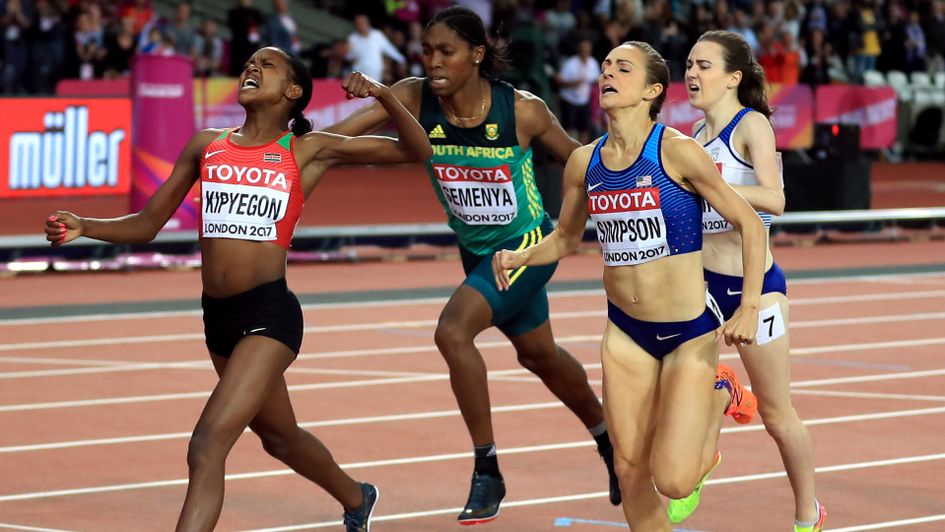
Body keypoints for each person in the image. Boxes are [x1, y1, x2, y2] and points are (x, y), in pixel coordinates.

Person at [44, 46, 433, 532]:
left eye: (266, 65)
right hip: (219, 319)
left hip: (269, 315)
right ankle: (358, 497)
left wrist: (383, 95)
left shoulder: (307, 149)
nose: (252, 67)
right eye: (250, 62)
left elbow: (417, 151)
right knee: (280, 438)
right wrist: (86, 226)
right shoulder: (206, 145)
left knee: (206, 445)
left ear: (293, 91)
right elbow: (147, 224)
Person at [324, 6, 620, 525]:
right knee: (540, 356)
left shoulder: (522, 110)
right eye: (427, 52)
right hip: (475, 252)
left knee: (452, 331)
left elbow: (580, 163)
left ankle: (488, 469)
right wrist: (289, 143)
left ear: (477, 54)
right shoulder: (413, 96)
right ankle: (610, 443)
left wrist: (619, 202)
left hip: (525, 246)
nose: (434, 62)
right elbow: (337, 140)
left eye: (447, 52)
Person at [492, 40, 765, 530]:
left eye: (622, 68)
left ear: (652, 91)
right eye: (604, 67)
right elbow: (565, 238)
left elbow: (749, 223)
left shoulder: (677, 152)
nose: (607, 74)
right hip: (625, 334)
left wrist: (747, 307)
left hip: (687, 333)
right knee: (628, 467)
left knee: (675, 480)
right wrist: (521, 255)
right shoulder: (585, 162)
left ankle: (720, 389)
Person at [683, 30, 826, 532]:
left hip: (757, 288)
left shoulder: (751, 125)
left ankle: (808, 512)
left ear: (733, 78)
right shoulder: (692, 137)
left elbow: (776, 199)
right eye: (689, 64)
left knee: (778, 416)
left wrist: (714, 187)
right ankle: (707, 436)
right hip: (703, 288)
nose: (692, 73)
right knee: (679, 392)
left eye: (704, 65)